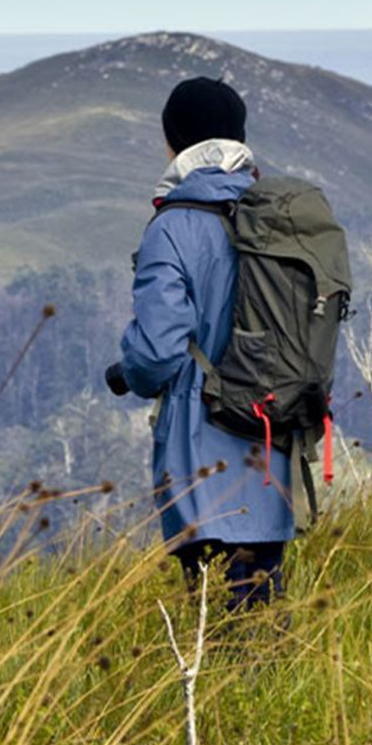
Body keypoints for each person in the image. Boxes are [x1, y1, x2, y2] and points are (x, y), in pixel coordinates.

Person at [105, 77, 294, 609]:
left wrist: (127, 371)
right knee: (263, 608)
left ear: (174, 143)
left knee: (216, 621)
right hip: (273, 439)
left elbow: (158, 352)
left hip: (203, 443)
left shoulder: (173, 226)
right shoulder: (277, 216)